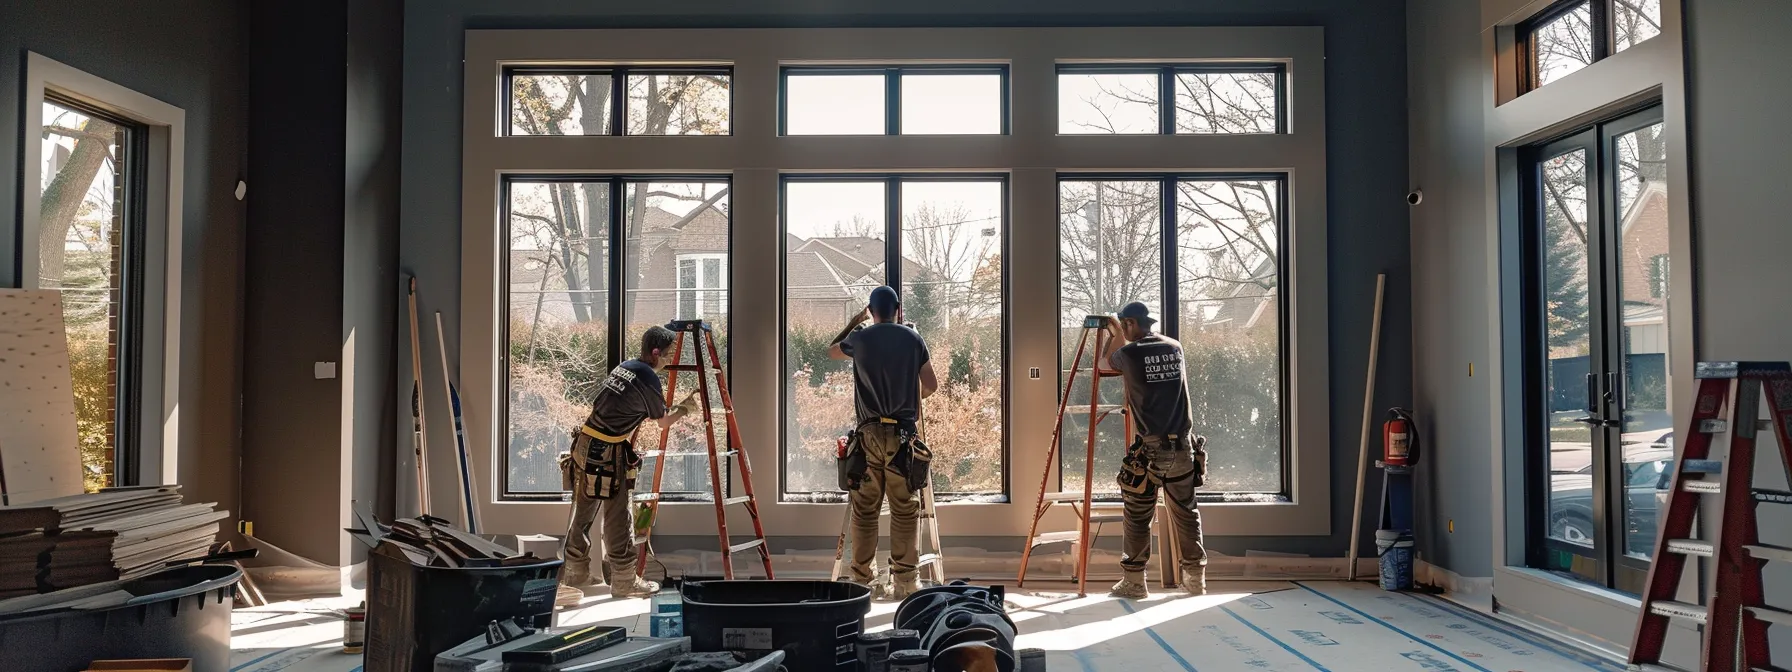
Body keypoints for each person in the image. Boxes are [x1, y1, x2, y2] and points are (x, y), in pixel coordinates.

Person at [558, 325, 700, 606]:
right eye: (668, 355)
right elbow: (663, 422)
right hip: (607, 453)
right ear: (656, 352)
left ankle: (575, 575)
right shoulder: (647, 377)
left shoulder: (626, 366)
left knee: (583, 512)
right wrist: (686, 408)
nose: (669, 361)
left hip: (585, 444)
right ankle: (624, 581)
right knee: (618, 515)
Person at [828, 286, 939, 600]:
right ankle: (905, 582)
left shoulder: (860, 339)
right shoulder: (913, 338)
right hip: (904, 435)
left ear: (871, 310)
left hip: (868, 436)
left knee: (865, 511)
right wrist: (911, 403)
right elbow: (931, 384)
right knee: (905, 510)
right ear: (898, 309)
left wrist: (855, 322)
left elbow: (832, 350)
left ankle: (862, 580)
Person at [1099, 301, 1209, 599]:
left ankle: (1134, 582)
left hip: (1151, 448)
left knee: (1137, 514)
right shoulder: (1175, 346)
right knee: (1186, 513)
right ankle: (1195, 579)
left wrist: (1112, 331)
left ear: (1131, 323)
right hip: (1184, 445)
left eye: (1125, 325)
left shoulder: (1130, 353)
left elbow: (1104, 364)